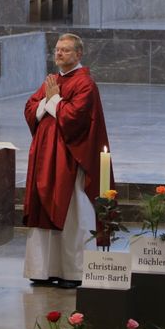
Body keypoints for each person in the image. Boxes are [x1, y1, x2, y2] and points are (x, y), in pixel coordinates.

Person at [22, 33, 110, 289]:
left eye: (66, 50)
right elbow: (30, 106)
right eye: (57, 50)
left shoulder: (85, 84)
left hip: (70, 158)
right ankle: (42, 269)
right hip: (44, 158)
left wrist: (52, 100)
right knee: (43, 212)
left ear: (78, 54)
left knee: (72, 212)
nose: (59, 54)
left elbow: (76, 118)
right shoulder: (53, 80)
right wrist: (48, 101)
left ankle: (73, 271)